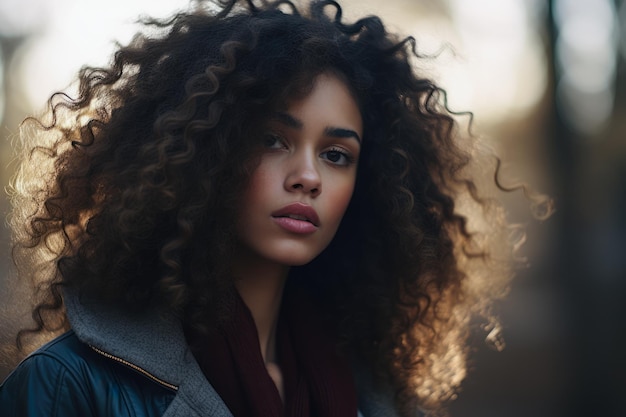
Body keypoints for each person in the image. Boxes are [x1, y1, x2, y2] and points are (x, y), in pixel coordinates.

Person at [0, 0, 548, 416]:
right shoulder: (67, 385)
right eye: (273, 140)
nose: (308, 177)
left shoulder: (375, 396)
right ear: (207, 153)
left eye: (336, 155)